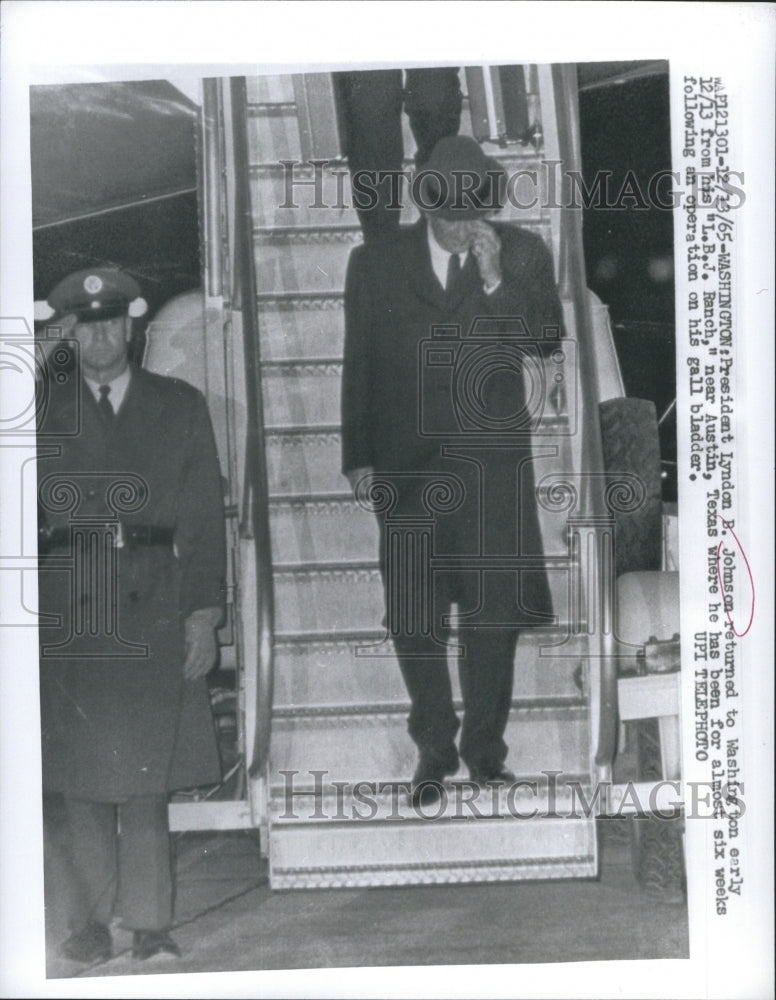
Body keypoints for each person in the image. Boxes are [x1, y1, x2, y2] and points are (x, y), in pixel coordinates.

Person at [340, 136, 563, 805]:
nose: (467, 225)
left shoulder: (520, 252)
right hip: (406, 471)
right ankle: (433, 748)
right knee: (414, 618)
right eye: (453, 215)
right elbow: (360, 362)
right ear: (427, 208)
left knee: (492, 619)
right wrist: (358, 455)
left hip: (491, 471)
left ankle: (485, 752)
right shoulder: (373, 263)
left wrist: (495, 282)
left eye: (477, 211)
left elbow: (544, 338)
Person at [35, 269, 226, 962]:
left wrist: (203, 617)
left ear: (132, 327)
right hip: (66, 600)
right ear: (69, 333)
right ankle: (83, 923)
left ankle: (148, 924)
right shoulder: (34, 411)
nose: (101, 335)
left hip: (152, 599)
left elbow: (204, 517)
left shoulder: (178, 405)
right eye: (85, 325)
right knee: (76, 776)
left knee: (145, 775)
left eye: (112, 322)